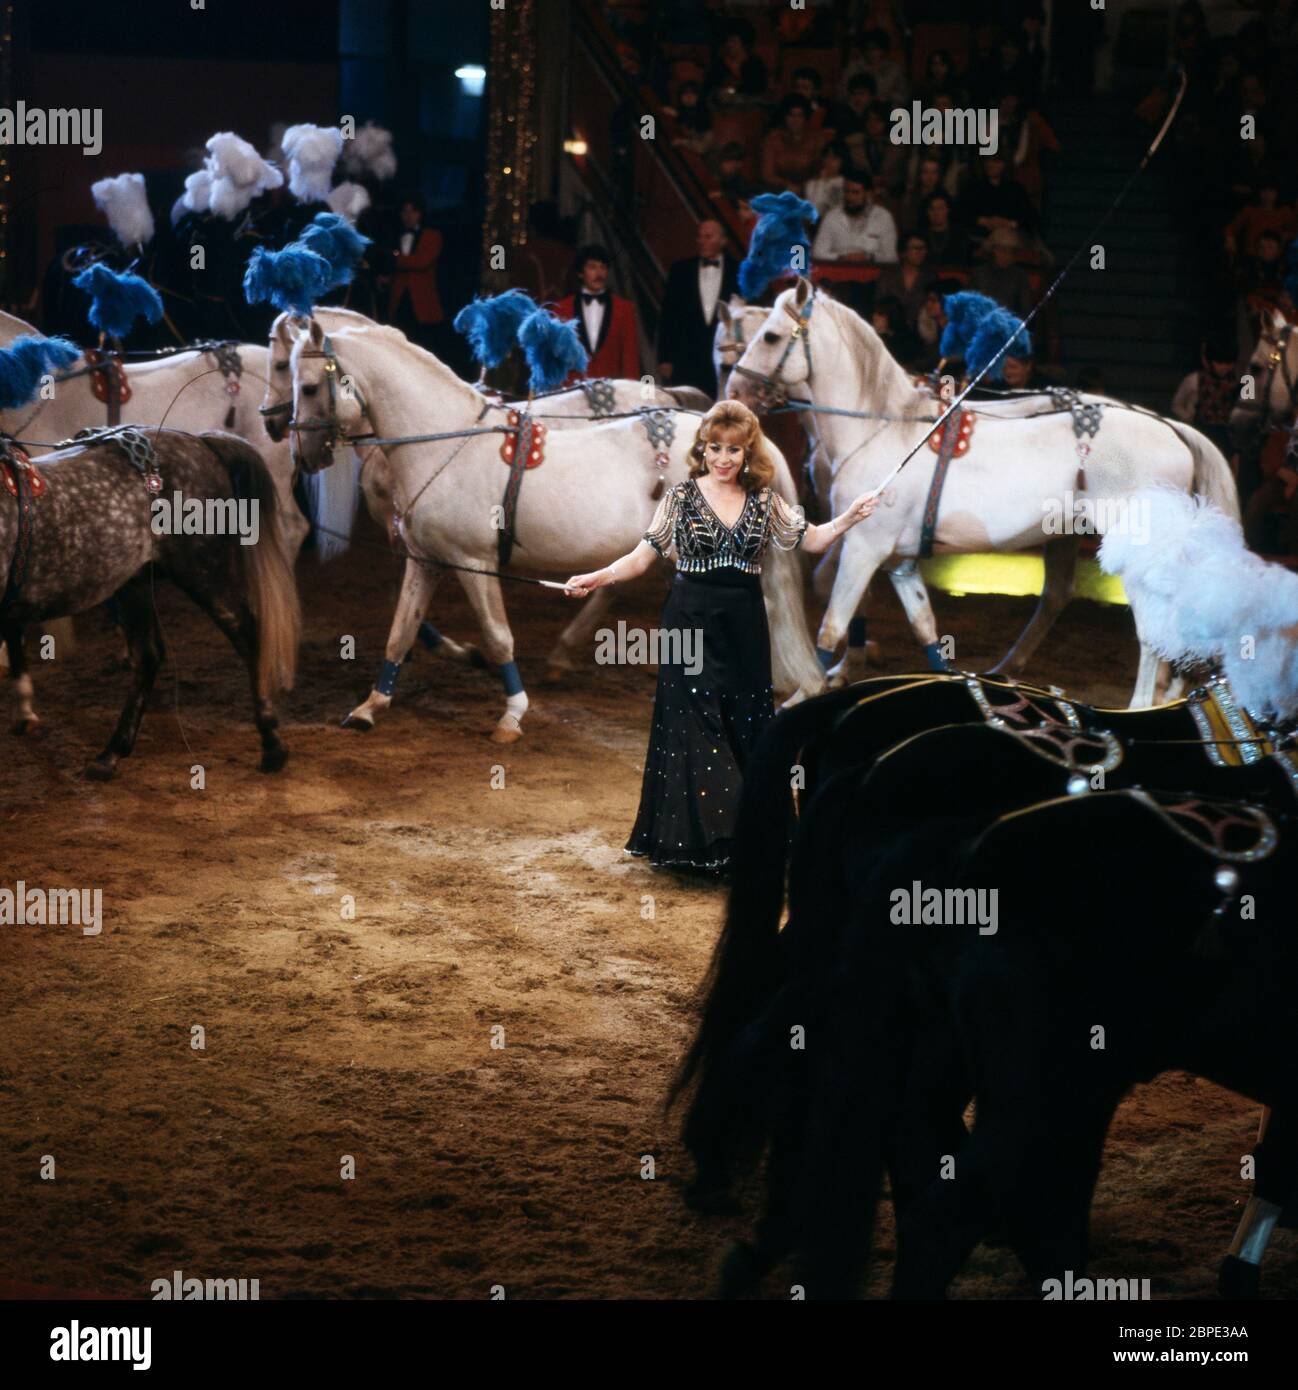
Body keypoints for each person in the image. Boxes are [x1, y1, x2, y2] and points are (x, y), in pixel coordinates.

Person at [562, 400, 879, 875]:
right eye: (715, 448)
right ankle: (715, 841)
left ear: (748, 452)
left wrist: (850, 518)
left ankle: (740, 842)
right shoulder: (680, 498)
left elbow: (811, 540)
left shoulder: (766, 501)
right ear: (703, 449)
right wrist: (596, 576)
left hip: (744, 623)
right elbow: (641, 557)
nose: (724, 458)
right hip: (688, 620)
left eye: (734, 449)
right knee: (696, 719)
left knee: (743, 721)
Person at [657, 220, 739, 396]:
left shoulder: (739, 272)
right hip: (686, 360)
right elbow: (668, 316)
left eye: (708, 236)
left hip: (724, 361)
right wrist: (665, 358)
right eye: (699, 236)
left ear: (723, 241)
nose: (701, 241)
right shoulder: (680, 270)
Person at [553, 245, 641, 380]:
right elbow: (556, 357)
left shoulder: (625, 308)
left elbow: (631, 358)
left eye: (602, 267)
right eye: (592, 267)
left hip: (613, 392)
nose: (599, 273)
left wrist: (631, 393)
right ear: (580, 273)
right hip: (573, 392)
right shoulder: (562, 308)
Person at [387, 196, 447, 355]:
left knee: (422, 349)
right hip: (400, 300)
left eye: (412, 211)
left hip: (422, 301)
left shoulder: (432, 235)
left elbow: (421, 262)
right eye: (405, 211)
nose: (408, 216)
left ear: (420, 214)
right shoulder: (394, 234)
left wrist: (396, 259)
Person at [811, 172, 898, 264]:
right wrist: (841, 257)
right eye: (847, 192)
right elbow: (818, 252)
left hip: (873, 273)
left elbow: (891, 256)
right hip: (839, 271)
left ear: (868, 194)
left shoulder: (883, 217)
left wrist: (867, 257)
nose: (850, 197)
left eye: (855, 193)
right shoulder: (832, 216)